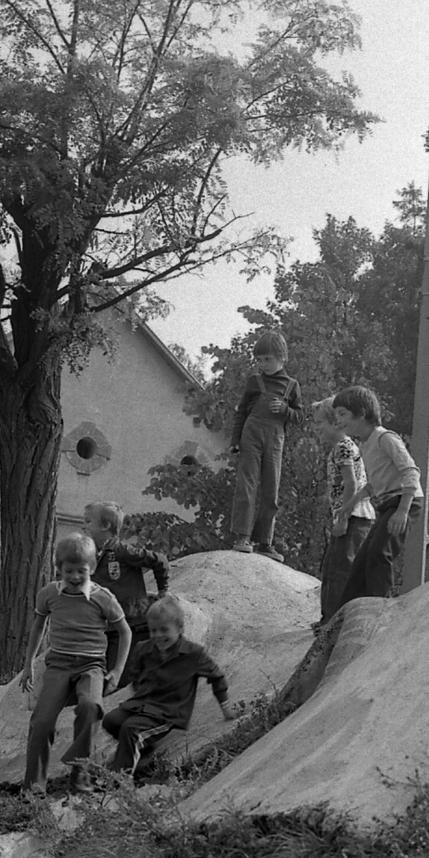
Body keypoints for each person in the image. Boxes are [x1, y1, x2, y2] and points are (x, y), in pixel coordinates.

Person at [19, 532, 130, 796]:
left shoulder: (103, 597)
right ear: (59, 569)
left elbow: (125, 632)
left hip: (91, 665)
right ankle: (33, 788)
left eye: (82, 571)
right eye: (69, 571)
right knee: (41, 721)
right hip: (58, 664)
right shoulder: (49, 594)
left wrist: (117, 671)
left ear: (91, 568)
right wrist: (28, 665)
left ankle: (80, 780)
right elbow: (38, 626)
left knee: (91, 707)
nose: (75, 577)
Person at [101, 593, 237, 781]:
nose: (158, 635)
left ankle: (118, 780)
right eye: (153, 630)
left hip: (167, 711)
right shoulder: (144, 649)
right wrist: (140, 691)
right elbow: (135, 673)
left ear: (180, 628)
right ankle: (143, 747)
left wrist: (225, 707)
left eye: (164, 630)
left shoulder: (193, 654)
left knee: (130, 729)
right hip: (141, 705)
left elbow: (217, 676)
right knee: (110, 720)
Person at [330, 385, 423, 608]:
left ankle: (379, 607)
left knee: (379, 553)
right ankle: (346, 612)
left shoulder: (385, 438)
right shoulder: (365, 444)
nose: (339, 421)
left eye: (342, 414)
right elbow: (374, 484)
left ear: (361, 413)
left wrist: (402, 511)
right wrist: (349, 504)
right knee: (362, 561)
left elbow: (411, 471)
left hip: (405, 501)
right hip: (387, 503)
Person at [227, 328, 304, 557]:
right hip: (251, 434)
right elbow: (241, 412)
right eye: (259, 360)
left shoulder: (292, 386)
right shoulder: (254, 381)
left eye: (267, 359)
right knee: (247, 484)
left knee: (271, 489)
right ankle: (243, 536)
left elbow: (300, 416)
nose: (263, 364)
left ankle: (265, 542)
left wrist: (285, 410)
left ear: (282, 357)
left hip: (275, 438)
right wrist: (235, 440)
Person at [83, 500, 170, 679]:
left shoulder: (121, 551)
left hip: (131, 624)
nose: (83, 526)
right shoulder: (93, 555)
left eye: (88, 522)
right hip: (105, 628)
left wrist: (163, 591)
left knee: (120, 678)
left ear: (105, 526)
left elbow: (159, 560)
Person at [315, 397, 374, 626]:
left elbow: (351, 483)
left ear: (336, 423)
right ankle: (328, 618)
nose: (316, 427)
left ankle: (334, 621)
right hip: (352, 517)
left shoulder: (343, 447)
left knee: (340, 569)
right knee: (331, 567)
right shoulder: (343, 447)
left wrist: (343, 517)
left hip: (354, 518)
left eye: (320, 422)